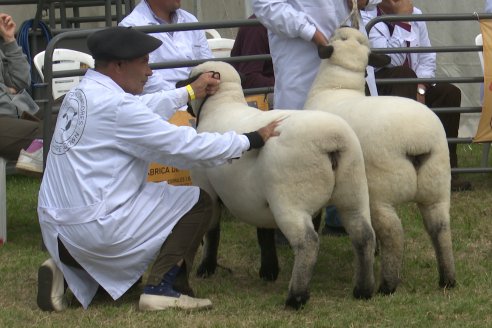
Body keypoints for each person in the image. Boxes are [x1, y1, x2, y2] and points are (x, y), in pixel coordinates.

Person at [36, 26, 281, 312]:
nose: (150, 72)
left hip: (57, 229)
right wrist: (249, 139)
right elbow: (186, 147)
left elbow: (138, 107)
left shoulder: (81, 94)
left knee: (120, 281)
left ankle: (68, 271)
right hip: (94, 228)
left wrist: (189, 91)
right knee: (197, 202)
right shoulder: (118, 107)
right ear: (118, 65)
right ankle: (164, 289)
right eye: (144, 62)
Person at [253, 0, 382, 235]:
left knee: (350, 134)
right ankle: (291, 222)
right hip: (301, 58)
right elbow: (266, 5)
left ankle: (342, 217)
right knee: (298, 139)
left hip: (346, 56)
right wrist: (310, 32)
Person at [361, 0, 472, 192]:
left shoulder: (416, 13)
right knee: (403, 76)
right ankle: (404, 172)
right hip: (382, 85)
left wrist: (420, 87)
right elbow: (389, 60)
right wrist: (403, 21)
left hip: (414, 83)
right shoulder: (367, 16)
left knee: (449, 93)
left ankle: (446, 173)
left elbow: (427, 57)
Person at [119, 0, 213, 94]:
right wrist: (185, 93)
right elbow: (146, 81)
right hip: (161, 101)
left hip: (197, 95)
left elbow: (208, 62)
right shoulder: (130, 26)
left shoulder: (191, 19)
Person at [0, 13, 43, 174]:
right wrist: (5, 89)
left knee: (66, 110)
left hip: (19, 111)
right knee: (50, 132)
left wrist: (9, 40)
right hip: (4, 119)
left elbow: (20, 81)